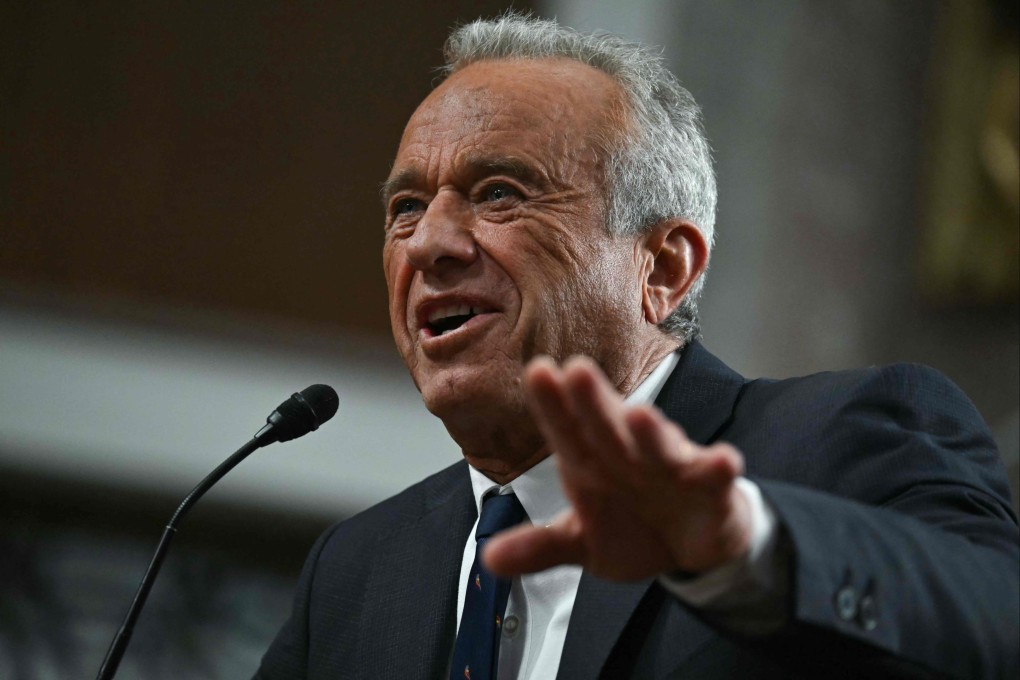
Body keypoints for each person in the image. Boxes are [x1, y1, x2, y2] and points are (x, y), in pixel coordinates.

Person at [255, 14, 1019, 680]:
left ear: (664, 267)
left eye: (499, 194)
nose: (430, 243)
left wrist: (744, 551)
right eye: (407, 207)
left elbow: (998, 621)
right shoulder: (356, 573)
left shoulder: (836, 445)